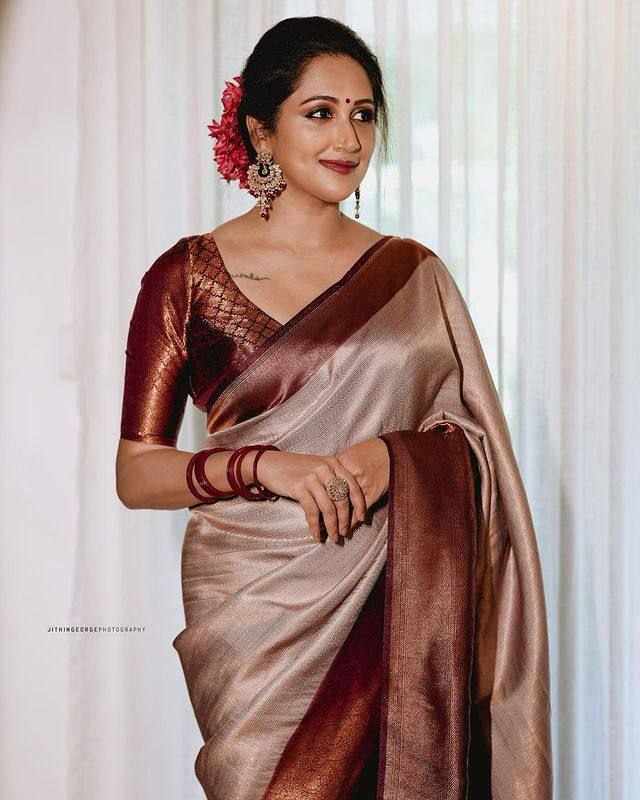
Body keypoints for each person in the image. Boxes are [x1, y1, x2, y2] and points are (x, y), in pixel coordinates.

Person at [116, 15, 553, 800]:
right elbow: (137, 472)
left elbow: (476, 439)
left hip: (395, 592)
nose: (347, 138)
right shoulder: (187, 278)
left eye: (363, 114)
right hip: (254, 613)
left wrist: (393, 458)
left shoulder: (412, 274)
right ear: (260, 131)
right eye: (319, 113)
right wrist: (265, 467)